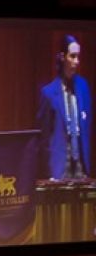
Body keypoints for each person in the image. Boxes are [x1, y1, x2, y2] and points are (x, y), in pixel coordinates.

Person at [38, 34, 91, 180]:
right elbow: (44, 137)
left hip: (80, 163)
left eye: (78, 56)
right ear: (62, 57)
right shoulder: (48, 93)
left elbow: (88, 128)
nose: (77, 61)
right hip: (60, 165)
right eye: (72, 56)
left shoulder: (83, 87)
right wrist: (48, 171)